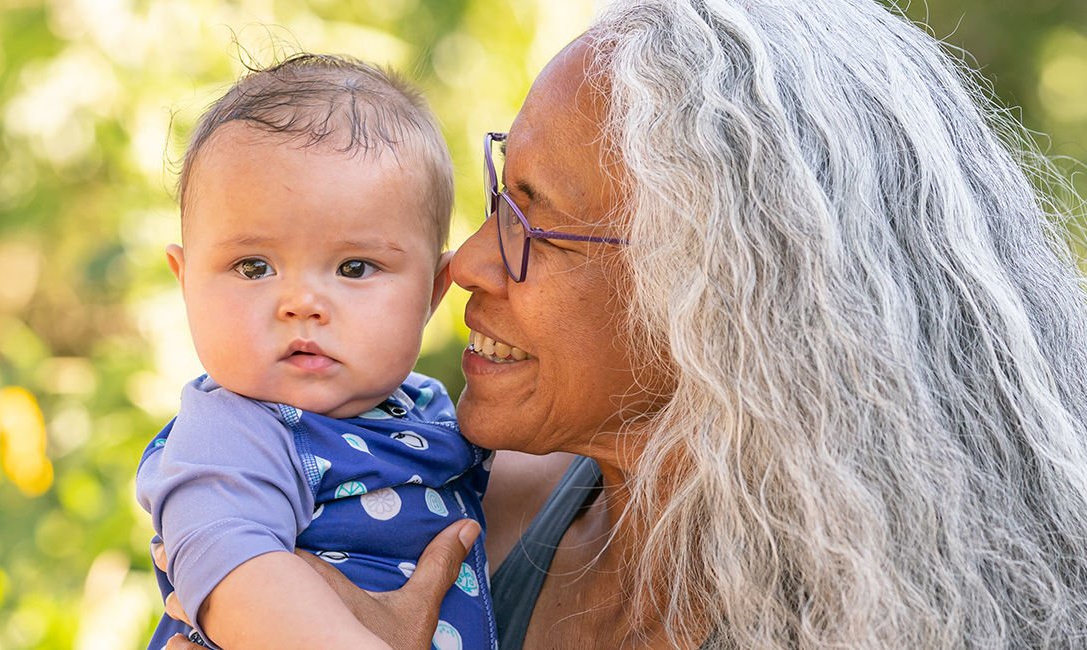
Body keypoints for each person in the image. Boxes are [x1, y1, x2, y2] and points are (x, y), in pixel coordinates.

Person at [161, 0, 1087, 647]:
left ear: (717, 292)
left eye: (534, 218)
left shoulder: (904, 615)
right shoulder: (494, 501)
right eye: (495, 195)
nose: (467, 263)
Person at [136, 53, 496, 650]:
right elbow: (236, 570)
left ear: (431, 293)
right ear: (185, 282)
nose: (301, 303)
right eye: (254, 266)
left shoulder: (429, 411)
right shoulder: (234, 433)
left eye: (354, 267)